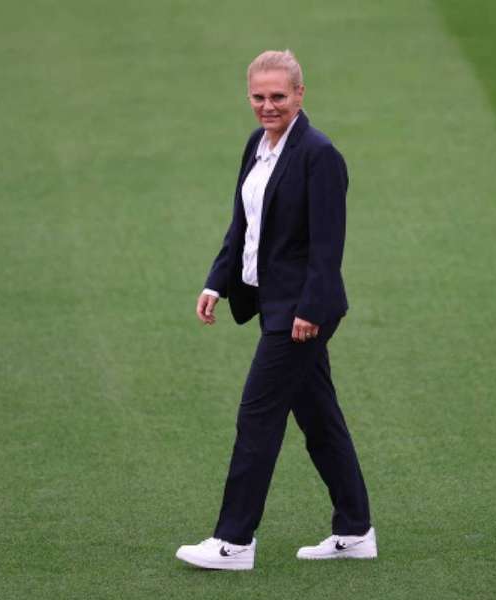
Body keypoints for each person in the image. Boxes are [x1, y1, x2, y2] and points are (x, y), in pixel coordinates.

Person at [175, 50, 375, 571]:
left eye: (279, 97)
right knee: (319, 418)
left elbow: (329, 245)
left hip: (302, 312)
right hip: (275, 304)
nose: (268, 106)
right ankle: (355, 530)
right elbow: (243, 224)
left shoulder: (319, 154)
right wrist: (216, 283)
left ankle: (234, 542)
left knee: (257, 416)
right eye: (259, 97)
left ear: (300, 95)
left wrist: (310, 308)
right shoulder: (257, 146)